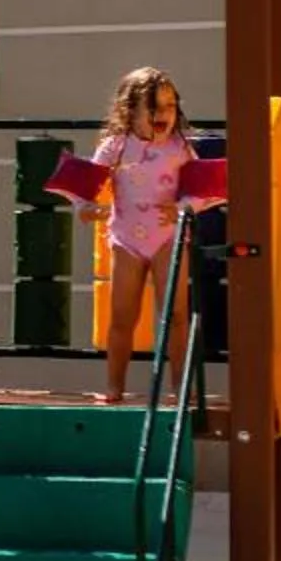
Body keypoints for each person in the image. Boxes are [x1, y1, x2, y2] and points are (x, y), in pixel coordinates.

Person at [81, 66, 193, 405]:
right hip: (127, 238)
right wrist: (84, 206)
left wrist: (186, 206)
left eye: (170, 106)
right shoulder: (116, 146)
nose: (164, 115)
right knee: (122, 317)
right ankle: (115, 386)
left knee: (175, 315)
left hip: (168, 238)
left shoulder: (179, 148)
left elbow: (201, 188)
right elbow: (87, 182)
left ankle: (179, 387)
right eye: (155, 107)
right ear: (131, 111)